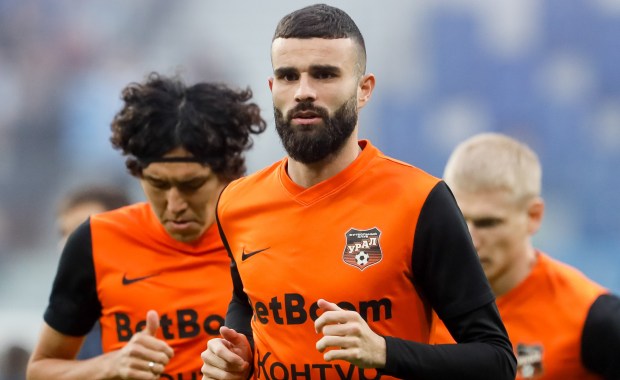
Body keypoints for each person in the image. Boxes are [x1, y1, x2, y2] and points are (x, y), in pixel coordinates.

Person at [200, 4, 517, 380]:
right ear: (272, 88)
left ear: (363, 89)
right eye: (288, 76)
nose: (303, 92)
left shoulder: (420, 201)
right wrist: (239, 352)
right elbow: (247, 298)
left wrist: (385, 352)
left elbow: (496, 361)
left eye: (324, 74)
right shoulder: (237, 202)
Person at [27, 72, 266, 380]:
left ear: (228, 174)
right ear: (138, 174)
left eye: (191, 184)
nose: (174, 202)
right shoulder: (95, 240)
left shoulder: (262, 237)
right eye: (157, 184)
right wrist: (110, 365)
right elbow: (40, 370)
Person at [430, 132, 620, 379]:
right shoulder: (418, 304)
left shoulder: (591, 319)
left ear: (534, 216)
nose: (470, 240)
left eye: (488, 223)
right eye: (459, 220)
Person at [56, 183, 132, 360]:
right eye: (63, 233)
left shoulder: (158, 314)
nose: (68, 244)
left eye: (83, 232)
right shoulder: (68, 322)